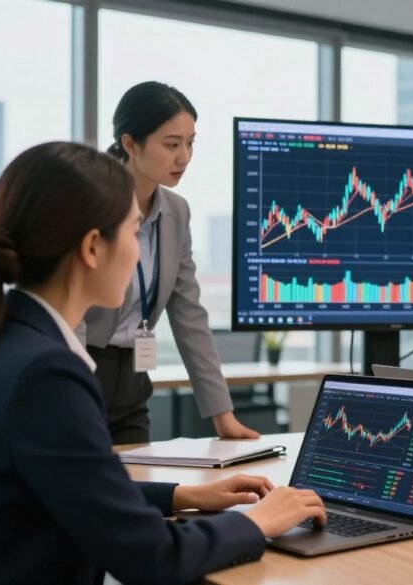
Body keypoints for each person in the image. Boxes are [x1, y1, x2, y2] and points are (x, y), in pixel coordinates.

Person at [0, 142, 325, 584]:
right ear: (92, 248)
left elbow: (71, 487)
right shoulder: (46, 375)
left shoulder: (2, 337)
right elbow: (152, 558)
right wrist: (258, 522)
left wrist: (185, 495)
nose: (139, 250)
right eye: (132, 231)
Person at [79, 81, 256, 443]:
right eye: (172, 145)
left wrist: (223, 416)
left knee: (139, 492)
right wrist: (70, 386)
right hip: (80, 368)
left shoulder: (177, 212)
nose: (184, 157)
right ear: (130, 144)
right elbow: (70, 306)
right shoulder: (90, 201)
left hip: (132, 382)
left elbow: (189, 315)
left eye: (191, 143)